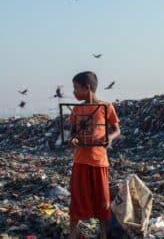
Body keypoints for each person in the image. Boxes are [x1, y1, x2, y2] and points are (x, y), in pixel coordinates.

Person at [68, 71, 121, 239]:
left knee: (102, 200)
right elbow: (73, 133)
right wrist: (73, 140)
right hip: (81, 160)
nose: (74, 92)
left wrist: (109, 139)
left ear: (87, 88)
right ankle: (72, 234)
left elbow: (117, 130)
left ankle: (103, 235)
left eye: (76, 88)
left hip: (99, 161)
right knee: (78, 197)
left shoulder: (106, 106)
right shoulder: (76, 109)